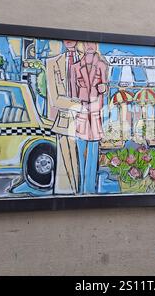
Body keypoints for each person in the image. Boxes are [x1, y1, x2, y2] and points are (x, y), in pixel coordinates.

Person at [70, 42, 108, 194]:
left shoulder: (102, 65)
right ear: (83, 46)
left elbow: (105, 86)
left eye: (92, 43)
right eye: (86, 43)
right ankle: (81, 188)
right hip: (81, 111)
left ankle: (90, 188)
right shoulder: (75, 67)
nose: (90, 46)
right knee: (80, 149)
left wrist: (103, 88)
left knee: (93, 151)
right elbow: (73, 92)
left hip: (95, 112)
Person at [46, 40, 82, 194]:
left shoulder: (89, 60)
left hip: (86, 121)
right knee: (65, 164)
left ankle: (82, 193)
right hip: (64, 120)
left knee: (82, 161)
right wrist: (79, 104)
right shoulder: (52, 63)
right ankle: (68, 194)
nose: (69, 41)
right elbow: (55, 99)